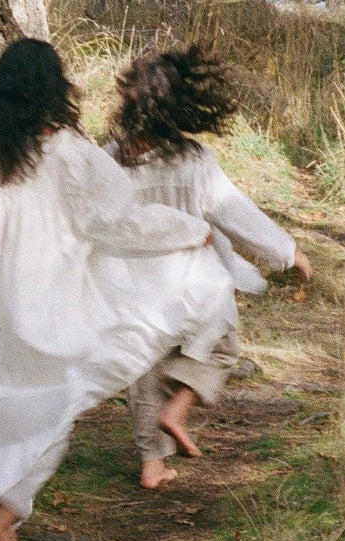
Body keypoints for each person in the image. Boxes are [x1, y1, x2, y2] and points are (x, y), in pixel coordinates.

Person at [0, 38, 237, 541]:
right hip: (51, 304)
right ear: (53, 89)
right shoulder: (67, 151)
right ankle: (10, 509)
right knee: (56, 403)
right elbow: (117, 219)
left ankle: (5, 502)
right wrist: (188, 230)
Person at [106, 45, 312, 489]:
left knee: (144, 371)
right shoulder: (191, 161)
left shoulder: (110, 158)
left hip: (131, 285)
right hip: (193, 281)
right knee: (218, 347)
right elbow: (235, 213)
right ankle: (177, 410)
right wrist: (287, 252)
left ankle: (152, 464)